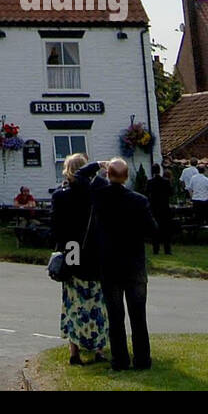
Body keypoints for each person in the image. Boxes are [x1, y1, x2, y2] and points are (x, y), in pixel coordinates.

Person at [88, 157, 156, 371]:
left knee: (115, 317)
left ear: (108, 175)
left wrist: (99, 165)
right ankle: (142, 359)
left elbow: (81, 177)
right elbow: (152, 230)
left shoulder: (100, 196)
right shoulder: (139, 200)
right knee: (138, 316)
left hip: (109, 264)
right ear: (127, 177)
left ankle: (120, 360)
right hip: (134, 263)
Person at [50, 153, 108, 366]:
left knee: (73, 301)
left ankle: (74, 351)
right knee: (97, 300)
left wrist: (61, 248)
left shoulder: (60, 196)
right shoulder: (94, 193)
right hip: (93, 249)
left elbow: (56, 228)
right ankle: (99, 349)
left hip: (71, 249)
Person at [145, 163, 173, 255]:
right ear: (159, 170)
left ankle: (156, 249)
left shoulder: (150, 182)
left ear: (152, 171)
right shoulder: (166, 182)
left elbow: (146, 194)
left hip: (154, 208)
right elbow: (171, 193)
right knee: (166, 229)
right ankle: (167, 250)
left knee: (155, 230)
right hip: (164, 208)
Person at [186, 164, 208, 242]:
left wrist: (191, 197)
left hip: (195, 202)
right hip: (204, 202)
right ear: (204, 171)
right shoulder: (206, 179)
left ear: (197, 170)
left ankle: (194, 237)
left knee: (196, 219)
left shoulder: (193, 179)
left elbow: (190, 189)